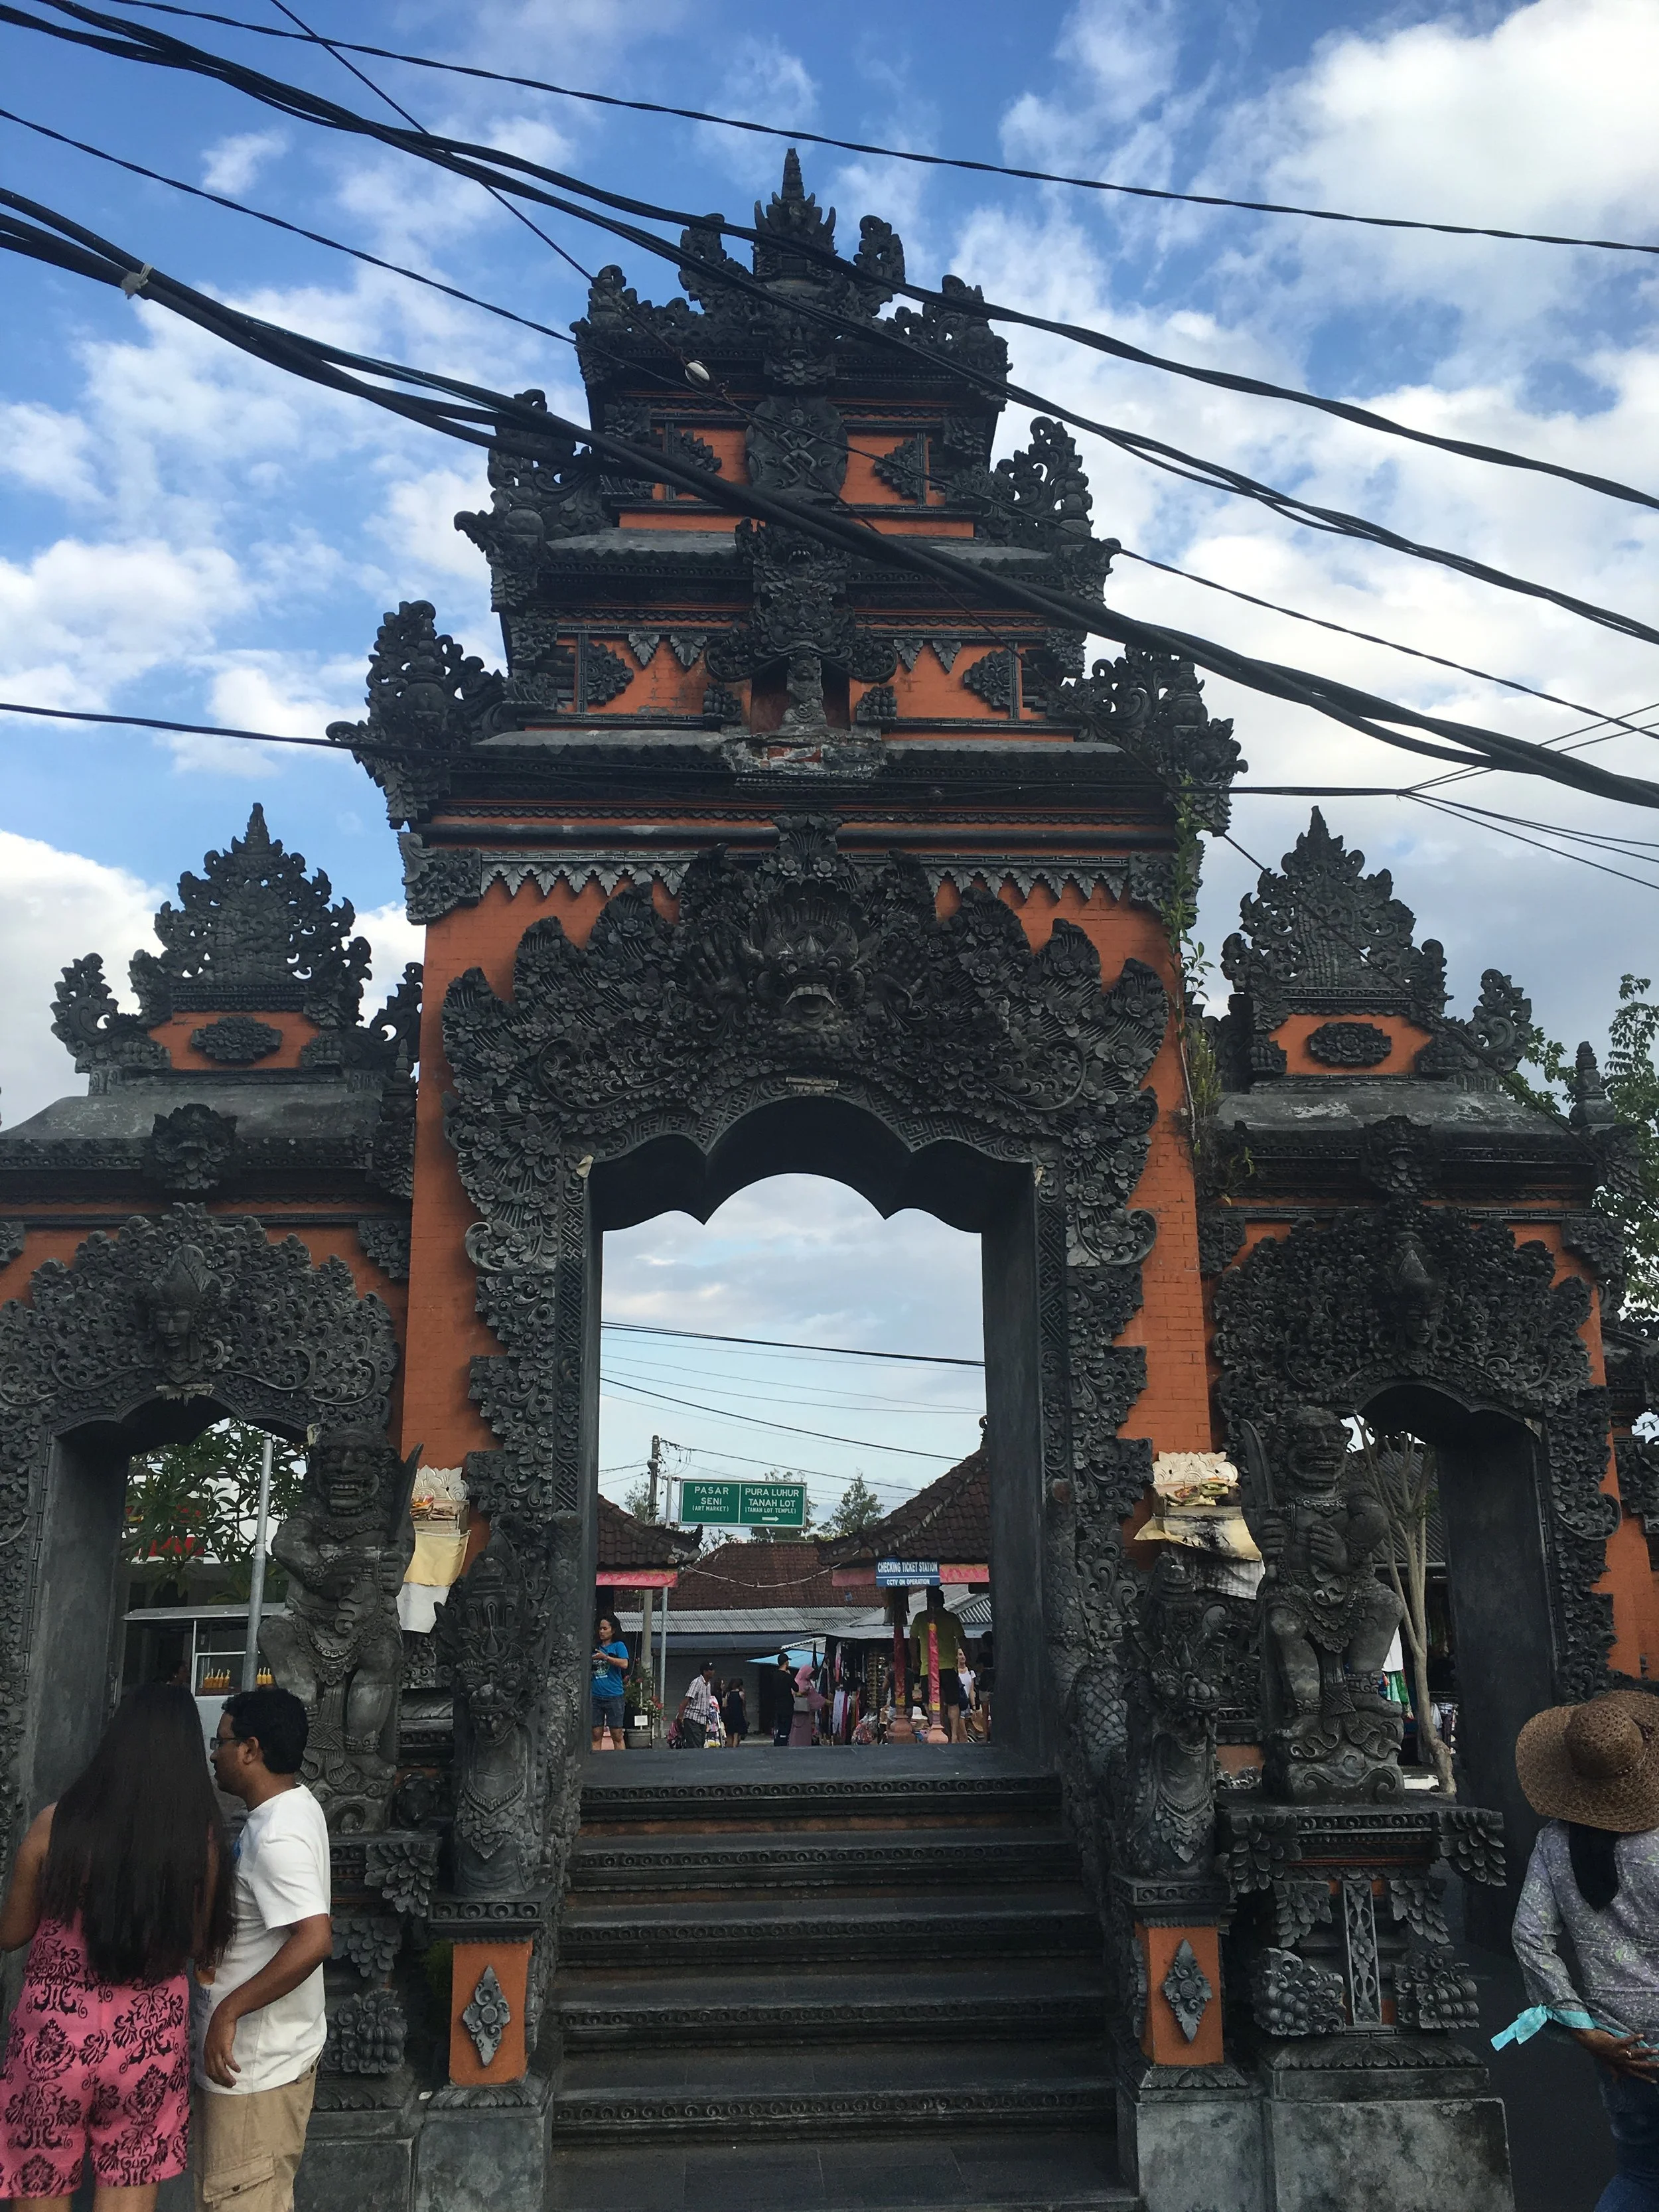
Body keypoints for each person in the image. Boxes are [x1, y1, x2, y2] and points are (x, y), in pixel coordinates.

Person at [0, 1684, 232, 2210]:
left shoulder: (55, 1825)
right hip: (146, 2042)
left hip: (55, 2041)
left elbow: (11, 1932)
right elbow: (197, 1943)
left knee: (40, 2186)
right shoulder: (199, 1841)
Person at [1508, 1688, 1659, 2211]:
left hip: (1621, 2047)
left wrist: (1585, 2030)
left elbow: (1530, 1935)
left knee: (1640, 2174)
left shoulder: (1554, 1844)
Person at [195, 1686, 333, 2212]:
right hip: (268, 2061)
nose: (214, 1752)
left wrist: (229, 2010)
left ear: (251, 1749)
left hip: (253, 2072)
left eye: (221, 1740)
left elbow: (315, 1937)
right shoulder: (294, 1807)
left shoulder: (277, 1835)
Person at [591, 1616, 630, 1750]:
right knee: (596, 1733)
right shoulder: (594, 1647)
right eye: (600, 1629)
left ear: (613, 1631)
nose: (601, 1631)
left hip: (614, 1695)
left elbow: (625, 1664)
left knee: (617, 1733)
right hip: (596, 1695)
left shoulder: (618, 1646)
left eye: (605, 1628)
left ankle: (621, 1761)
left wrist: (606, 1658)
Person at [681, 1661, 715, 1749]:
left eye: (713, 1669)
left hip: (702, 1720)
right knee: (695, 1746)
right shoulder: (697, 1682)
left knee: (700, 1744)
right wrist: (680, 1717)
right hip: (693, 1718)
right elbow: (687, 1699)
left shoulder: (708, 1684)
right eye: (710, 1670)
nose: (713, 1672)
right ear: (705, 1671)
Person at [772, 1653, 795, 1747]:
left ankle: (778, 1742)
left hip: (777, 1704)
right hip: (787, 1705)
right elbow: (796, 1688)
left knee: (779, 1725)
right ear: (786, 1663)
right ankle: (783, 1743)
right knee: (786, 1727)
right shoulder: (787, 1676)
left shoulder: (774, 1676)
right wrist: (789, 1676)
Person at [723, 1676, 748, 1750]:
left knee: (730, 1733)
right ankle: (735, 1747)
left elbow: (724, 1705)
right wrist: (745, 1717)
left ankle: (729, 1747)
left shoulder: (728, 1694)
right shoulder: (741, 1694)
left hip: (730, 1715)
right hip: (738, 1715)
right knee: (737, 1733)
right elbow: (744, 1706)